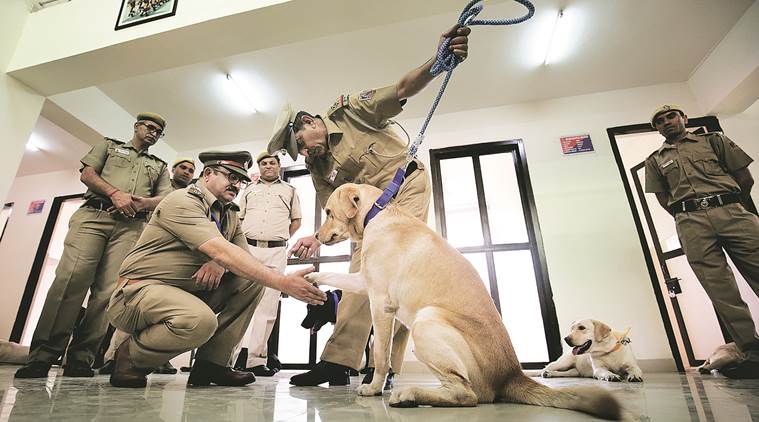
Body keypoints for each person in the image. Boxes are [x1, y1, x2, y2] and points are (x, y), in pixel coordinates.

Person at [266, 24, 470, 387]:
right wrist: (317, 237)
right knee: (363, 272)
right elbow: (330, 206)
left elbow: (404, 88)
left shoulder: (351, 111)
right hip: (363, 211)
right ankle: (340, 361)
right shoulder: (316, 163)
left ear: (312, 123)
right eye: (299, 152)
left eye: (302, 142)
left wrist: (437, 62)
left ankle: (386, 368)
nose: (306, 153)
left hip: (404, 187)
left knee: (401, 273)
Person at [106, 151, 325, 388]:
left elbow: (244, 260)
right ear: (208, 174)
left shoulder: (229, 213)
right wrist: (283, 282)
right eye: (231, 176)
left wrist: (221, 262)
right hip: (138, 294)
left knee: (252, 281)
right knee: (200, 321)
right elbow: (221, 249)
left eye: (240, 180)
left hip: (186, 292)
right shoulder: (183, 200)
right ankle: (130, 356)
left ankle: (212, 364)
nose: (236, 184)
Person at [15, 113, 173, 379]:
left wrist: (141, 203)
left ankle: (81, 359)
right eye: (149, 127)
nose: (153, 133)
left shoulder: (158, 165)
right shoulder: (109, 146)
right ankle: (42, 356)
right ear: (136, 127)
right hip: (94, 216)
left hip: (130, 226)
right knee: (70, 281)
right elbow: (87, 174)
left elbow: (166, 197)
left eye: (159, 132)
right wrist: (115, 193)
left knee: (108, 293)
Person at [644, 104, 759, 379]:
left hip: (733, 213)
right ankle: (753, 354)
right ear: (657, 128)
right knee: (721, 291)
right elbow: (663, 198)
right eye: (660, 121)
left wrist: (728, 205)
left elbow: (744, 177)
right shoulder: (655, 160)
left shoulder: (714, 140)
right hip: (690, 222)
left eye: (671, 116)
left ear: (684, 118)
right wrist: (689, 215)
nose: (667, 122)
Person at [98, 157, 197, 376]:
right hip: (145, 251)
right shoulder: (158, 189)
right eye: (183, 167)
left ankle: (159, 359)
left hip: (172, 257)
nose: (187, 172)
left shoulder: (193, 196)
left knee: (164, 311)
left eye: (191, 170)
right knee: (135, 304)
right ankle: (114, 357)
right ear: (173, 169)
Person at [233, 151, 302, 377]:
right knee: (239, 302)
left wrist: (280, 238)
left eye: (272, 162)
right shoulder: (248, 190)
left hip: (275, 251)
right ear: (260, 167)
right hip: (248, 249)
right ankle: (229, 359)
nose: (268, 166)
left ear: (279, 166)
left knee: (268, 306)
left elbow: (296, 221)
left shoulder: (290, 190)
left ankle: (256, 360)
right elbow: (238, 219)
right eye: (263, 163)